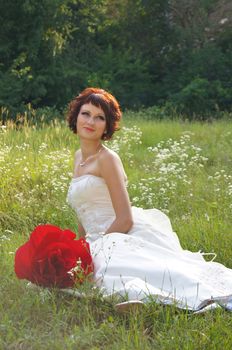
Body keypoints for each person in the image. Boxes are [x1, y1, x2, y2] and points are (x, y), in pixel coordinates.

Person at [66, 87, 232, 313]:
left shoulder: (108, 159)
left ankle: (152, 299)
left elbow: (125, 219)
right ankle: (138, 299)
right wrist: (79, 248)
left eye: (100, 117)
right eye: (85, 113)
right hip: (95, 240)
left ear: (107, 126)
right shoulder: (78, 158)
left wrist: (96, 249)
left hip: (118, 234)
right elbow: (83, 210)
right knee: (73, 274)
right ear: (75, 116)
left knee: (114, 269)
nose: (90, 121)